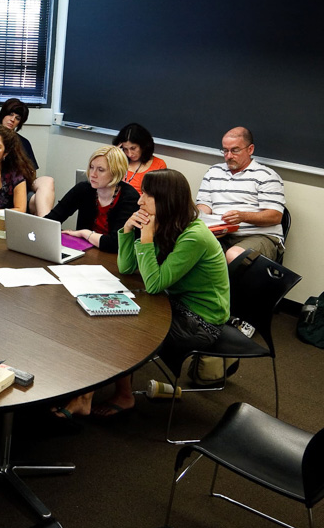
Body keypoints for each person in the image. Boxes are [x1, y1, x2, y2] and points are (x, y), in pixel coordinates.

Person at [55, 170, 229, 418]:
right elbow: (127, 268)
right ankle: (98, 393)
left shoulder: (195, 236)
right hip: (172, 304)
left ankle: (91, 396)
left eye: (146, 195)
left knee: (121, 323)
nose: (139, 201)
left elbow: (155, 283)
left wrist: (146, 238)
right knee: (106, 311)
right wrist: (127, 231)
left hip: (200, 321)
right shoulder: (166, 223)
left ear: (165, 199)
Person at [196, 126, 285, 263]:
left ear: (250, 149)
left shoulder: (266, 176)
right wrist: (202, 218)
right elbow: (204, 207)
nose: (229, 156)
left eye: (235, 150)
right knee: (191, 247)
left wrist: (243, 216)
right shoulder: (213, 172)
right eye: (225, 150)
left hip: (259, 236)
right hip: (222, 234)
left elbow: (275, 216)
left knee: (234, 255)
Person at [0, 99, 56, 215]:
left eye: (17, 118)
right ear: (3, 114)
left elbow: (32, 173)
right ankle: (45, 224)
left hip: (20, 184)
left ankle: (46, 223)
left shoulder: (24, 143)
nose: (12, 120)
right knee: (34, 202)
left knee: (47, 182)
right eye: (10, 114)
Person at [44, 145, 139, 253]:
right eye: (91, 167)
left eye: (100, 170)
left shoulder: (130, 197)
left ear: (115, 172)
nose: (93, 174)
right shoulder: (83, 188)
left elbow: (116, 244)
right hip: (84, 251)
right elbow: (52, 219)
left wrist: (84, 233)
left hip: (113, 257)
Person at [112, 122, 167, 194]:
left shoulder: (158, 165)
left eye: (133, 148)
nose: (129, 154)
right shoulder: (118, 162)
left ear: (143, 146)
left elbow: (158, 197)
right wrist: (113, 154)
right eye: (125, 149)